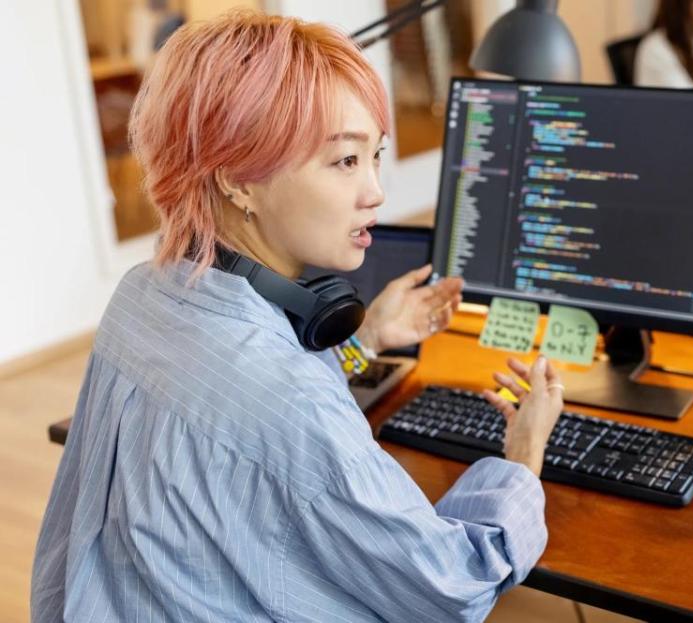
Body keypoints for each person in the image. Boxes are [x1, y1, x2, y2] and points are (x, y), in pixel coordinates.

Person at [31, 11, 564, 622]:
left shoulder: (141, 295)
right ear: (237, 180)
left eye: (375, 157)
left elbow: (241, 429)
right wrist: (522, 459)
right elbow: (452, 587)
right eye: (344, 161)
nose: (376, 191)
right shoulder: (292, 403)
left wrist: (363, 340)